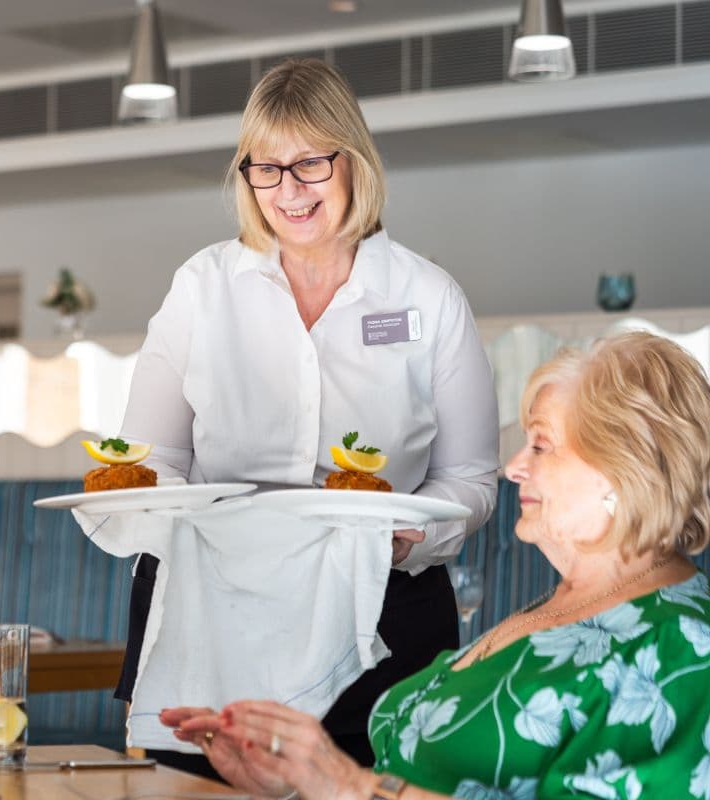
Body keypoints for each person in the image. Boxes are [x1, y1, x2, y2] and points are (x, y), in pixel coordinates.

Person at [114, 58, 498, 776]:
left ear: (352, 161)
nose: (287, 190)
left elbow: (472, 479)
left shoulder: (428, 298)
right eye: (265, 168)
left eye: (310, 164)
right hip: (216, 612)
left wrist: (413, 537)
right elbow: (150, 461)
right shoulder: (203, 288)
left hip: (379, 611)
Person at [164, 331, 710, 798]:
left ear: (623, 467)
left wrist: (348, 786)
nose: (515, 467)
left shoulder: (683, 643)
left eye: (540, 446)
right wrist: (294, 784)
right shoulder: (566, 602)